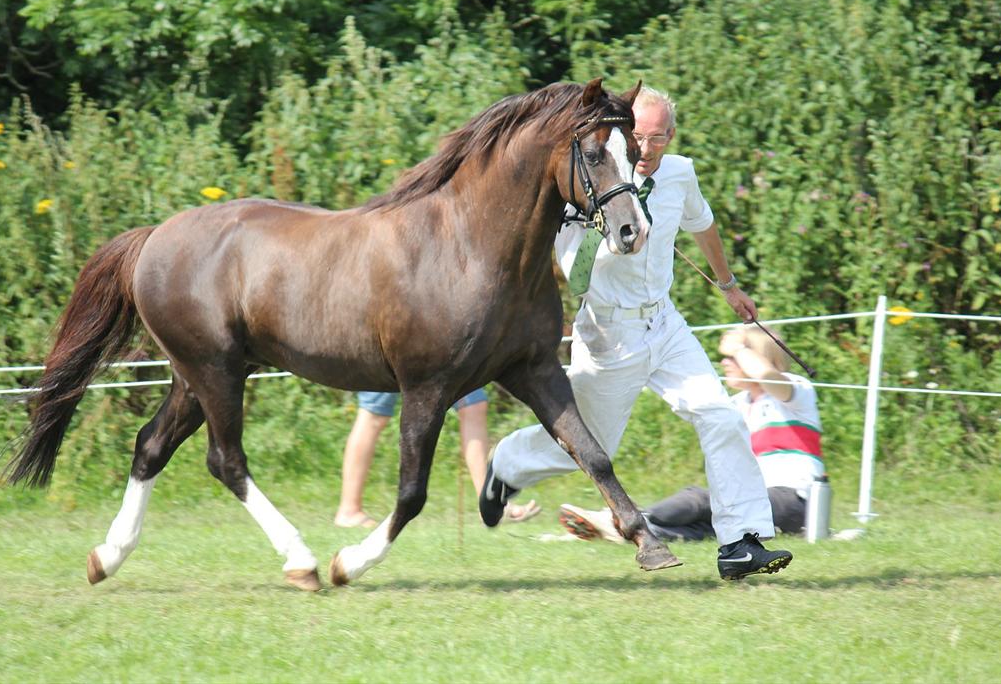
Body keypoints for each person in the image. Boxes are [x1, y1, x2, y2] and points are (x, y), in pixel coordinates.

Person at [478, 85, 793, 580]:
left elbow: (703, 224)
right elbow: (571, 271)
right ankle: (508, 463)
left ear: (671, 136)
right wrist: (605, 245)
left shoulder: (681, 173)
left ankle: (739, 542)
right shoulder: (595, 171)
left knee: (722, 417)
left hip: (664, 323)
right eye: (638, 138)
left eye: (658, 139)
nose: (645, 150)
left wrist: (729, 285)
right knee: (590, 443)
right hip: (608, 333)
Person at [557, 324, 824, 543]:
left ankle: (624, 518)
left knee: (699, 498)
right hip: (753, 501)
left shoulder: (797, 391)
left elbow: (769, 378)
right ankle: (627, 531)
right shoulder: (737, 404)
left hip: (795, 500)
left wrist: (740, 347)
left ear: (760, 356)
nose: (725, 361)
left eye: (733, 357)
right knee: (702, 528)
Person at [335, 389, 540, 528]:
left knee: (474, 405)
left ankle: (489, 504)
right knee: (374, 414)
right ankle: (349, 511)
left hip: (436, 333)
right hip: (391, 335)